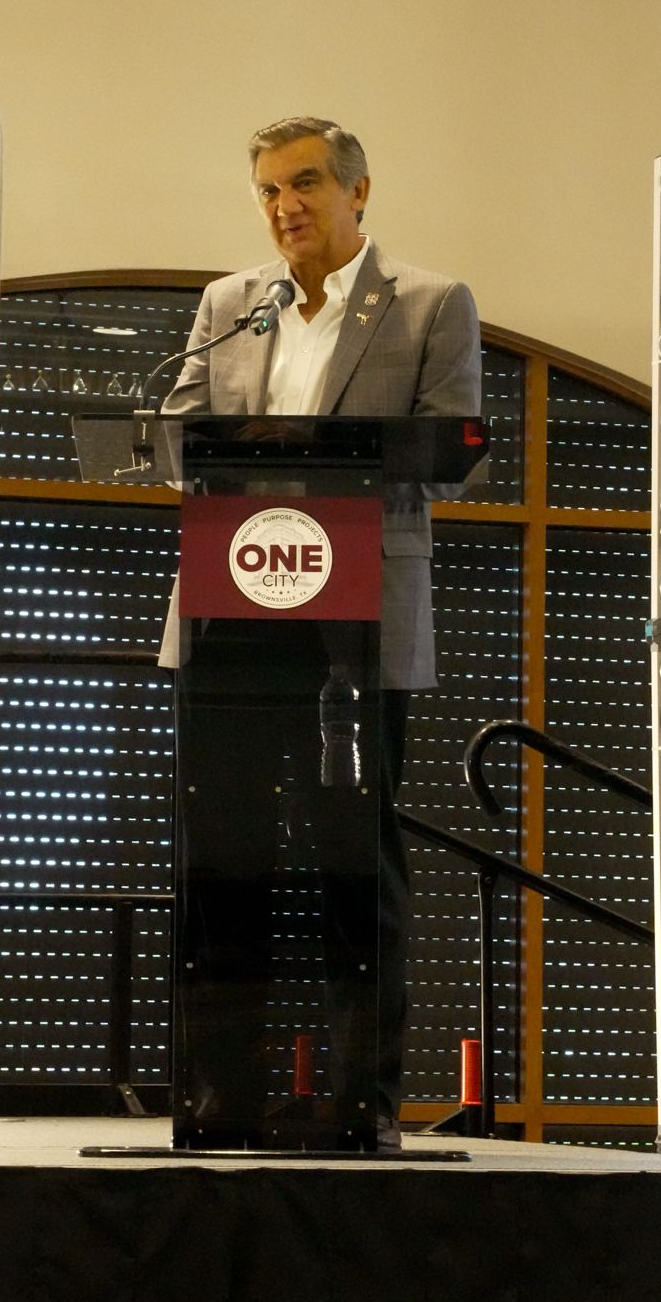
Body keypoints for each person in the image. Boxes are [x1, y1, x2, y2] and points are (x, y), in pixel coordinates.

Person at [159, 116, 482, 1149]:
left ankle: (360, 1102)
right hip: (235, 605)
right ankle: (219, 1099)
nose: (283, 206)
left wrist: (315, 448)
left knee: (355, 862)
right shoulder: (230, 305)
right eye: (266, 190)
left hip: (356, 614)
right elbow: (177, 438)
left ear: (357, 191)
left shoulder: (430, 302)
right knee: (225, 858)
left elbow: (448, 449)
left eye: (302, 183)